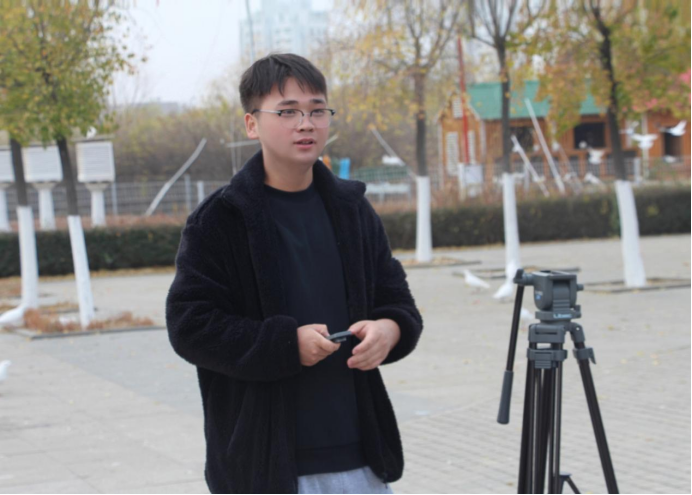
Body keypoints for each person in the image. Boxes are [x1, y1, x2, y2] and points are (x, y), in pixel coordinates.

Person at [166, 53, 423, 494]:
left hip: (361, 458)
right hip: (265, 465)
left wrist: (390, 330)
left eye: (317, 110)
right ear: (252, 124)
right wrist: (285, 345)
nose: (306, 124)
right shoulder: (221, 219)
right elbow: (190, 326)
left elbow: (397, 302)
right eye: (287, 112)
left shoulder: (353, 210)